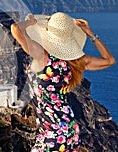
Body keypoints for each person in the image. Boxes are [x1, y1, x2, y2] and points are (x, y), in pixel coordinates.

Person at [11, 12, 115, 152]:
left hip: (54, 134)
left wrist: (31, 22)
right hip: (67, 129)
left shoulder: (42, 56)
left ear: (48, 32)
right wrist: (91, 34)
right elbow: (109, 60)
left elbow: (16, 29)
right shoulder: (77, 62)